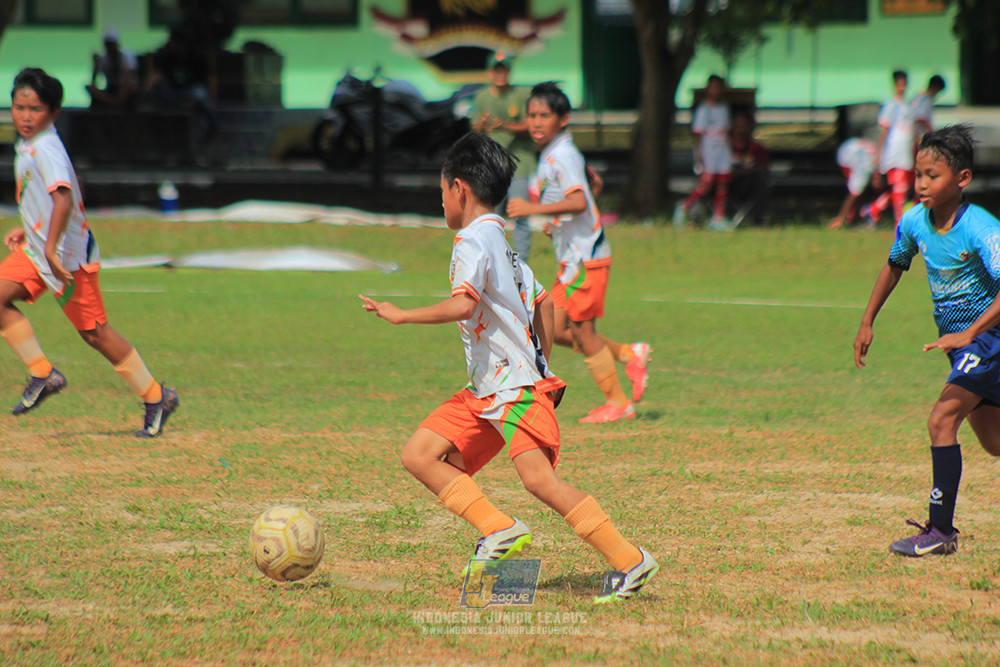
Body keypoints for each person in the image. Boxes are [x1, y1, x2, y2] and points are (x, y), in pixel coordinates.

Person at [359, 132, 659, 602]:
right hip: (488, 390)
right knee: (420, 455)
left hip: (510, 389)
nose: (441, 204)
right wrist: (539, 363)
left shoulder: (470, 242)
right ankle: (498, 527)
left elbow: (464, 306)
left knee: (539, 481)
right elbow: (544, 306)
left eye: (441, 194)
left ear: (460, 189)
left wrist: (402, 315)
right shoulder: (504, 244)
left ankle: (630, 560)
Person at [1, 68, 179, 437]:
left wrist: (50, 246)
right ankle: (42, 373)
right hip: (39, 251)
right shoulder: (30, 143)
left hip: (66, 258)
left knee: (95, 334)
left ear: (53, 113)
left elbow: (63, 196)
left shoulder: (46, 146)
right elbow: (56, 192)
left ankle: (156, 396)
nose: (25, 116)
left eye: (35, 109)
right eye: (19, 107)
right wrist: (31, 225)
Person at [853, 124, 1000, 558]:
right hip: (962, 347)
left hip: (990, 339)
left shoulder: (981, 227)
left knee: (941, 421)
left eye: (932, 175)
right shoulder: (914, 220)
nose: (921, 184)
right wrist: (867, 321)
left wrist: (971, 332)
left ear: (962, 179)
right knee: (994, 443)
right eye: (918, 174)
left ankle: (940, 532)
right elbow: (895, 265)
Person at [507, 82, 650, 424]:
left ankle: (618, 403)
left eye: (545, 115)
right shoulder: (555, 153)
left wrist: (532, 208)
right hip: (574, 259)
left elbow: (580, 199)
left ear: (564, 119)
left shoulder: (562, 155)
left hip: (585, 259)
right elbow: (591, 187)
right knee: (552, 328)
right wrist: (555, 220)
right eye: (532, 115)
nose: (536, 122)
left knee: (582, 331)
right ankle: (630, 354)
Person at [470, 52, 536, 264]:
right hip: (493, 165)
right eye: (497, 69)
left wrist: (504, 125)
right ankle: (494, 259)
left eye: (504, 69)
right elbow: (475, 127)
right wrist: (480, 126)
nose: (501, 74)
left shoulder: (521, 94)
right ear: (490, 72)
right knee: (491, 216)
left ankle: (521, 262)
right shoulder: (482, 97)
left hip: (520, 163)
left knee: (520, 213)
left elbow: (531, 125)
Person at [673, 74, 732, 231]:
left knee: (722, 184)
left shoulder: (725, 108)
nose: (716, 90)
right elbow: (698, 135)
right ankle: (683, 206)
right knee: (706, 184)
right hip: (709, 152)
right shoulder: (704, 110)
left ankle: (718, 217)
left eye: (719, 87)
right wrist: (699, 156)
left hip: (723, 150)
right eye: (713, 87)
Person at [147, 26, 218, 148]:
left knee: (201, 98)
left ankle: (210, 133)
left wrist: (213, 99)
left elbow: (209, 78)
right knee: (160, 91)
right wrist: (146, 89)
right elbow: (157, 74)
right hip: (174, 93)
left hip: (192, 91)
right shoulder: (166, 55)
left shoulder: (196, 56)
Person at [866, 70, 915, 226]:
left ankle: (873, 209)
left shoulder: (907, 105)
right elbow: (885, 130)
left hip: (905, 152)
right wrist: (879, 154)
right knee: (900, 186)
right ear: (894, 84)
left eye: (904, 83)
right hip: (894, 152)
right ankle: (898, 221)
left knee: (901, 188)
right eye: (899, 83)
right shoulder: (890, 105)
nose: (902, 86)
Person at [727, 111, 770, 227]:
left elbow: (763, 168)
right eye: (737, 124)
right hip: (723, 184)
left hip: (745, 187)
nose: (740, 128)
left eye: (744, 125)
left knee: (760, 177)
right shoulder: (722, 147)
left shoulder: (757, 149)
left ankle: (758, 221)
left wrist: (741, 172)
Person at [829, 136, 880, 230]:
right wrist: (840, 218)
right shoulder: (867, 167)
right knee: (857, 189)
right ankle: (848, 218)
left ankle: (853, 216)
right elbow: (853, 193)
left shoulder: (878, 162)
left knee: (861, 188)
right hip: (846, 156)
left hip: (852, 149)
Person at [85, 30, 139, 109]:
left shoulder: (126, 56)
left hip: (125, 88)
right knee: (89, 88)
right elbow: (93, 82)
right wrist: (95, 66)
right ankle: (114, 102)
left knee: (131, 88)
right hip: (111, 89)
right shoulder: (103, 58)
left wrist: (122, 94)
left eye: (111, 44)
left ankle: (117, 102)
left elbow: (128, 79)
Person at [911, 74, 946, 146]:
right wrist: (931, 134)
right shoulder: (926, 100)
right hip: (921, 137)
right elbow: (921, 119)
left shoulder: (917, 97)